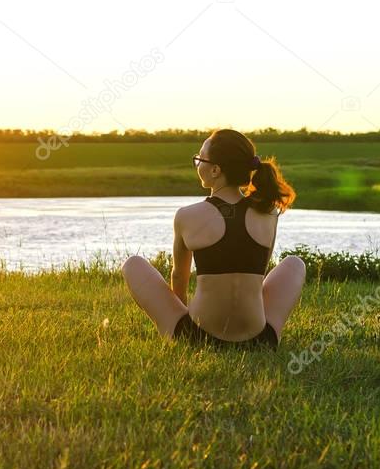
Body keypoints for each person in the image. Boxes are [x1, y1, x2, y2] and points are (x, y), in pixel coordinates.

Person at [121, 129, 305, 349]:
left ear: (216, 170)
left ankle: (182, 335)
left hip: (198, 338)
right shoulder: (269, 213)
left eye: (200, 159)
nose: (197, 164)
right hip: (259, 340)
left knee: (133, 264)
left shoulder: (187, 216)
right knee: (295, 264)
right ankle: (265, 333)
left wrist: (180, 318)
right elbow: (259, 275)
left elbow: (179, 277)